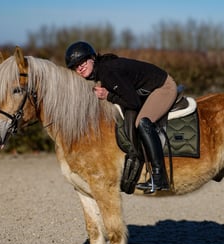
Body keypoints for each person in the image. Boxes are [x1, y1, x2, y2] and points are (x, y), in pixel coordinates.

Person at [65, 41, 177, 192]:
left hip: (164, 87)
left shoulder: (107, 72)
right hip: (148, 88)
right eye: (75, 66)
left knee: (142, 122)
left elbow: (133, 103)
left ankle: (159, 177)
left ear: (92, 58)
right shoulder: (103, 70)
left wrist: (108, 95)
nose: (79, 67)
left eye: (82, 61)